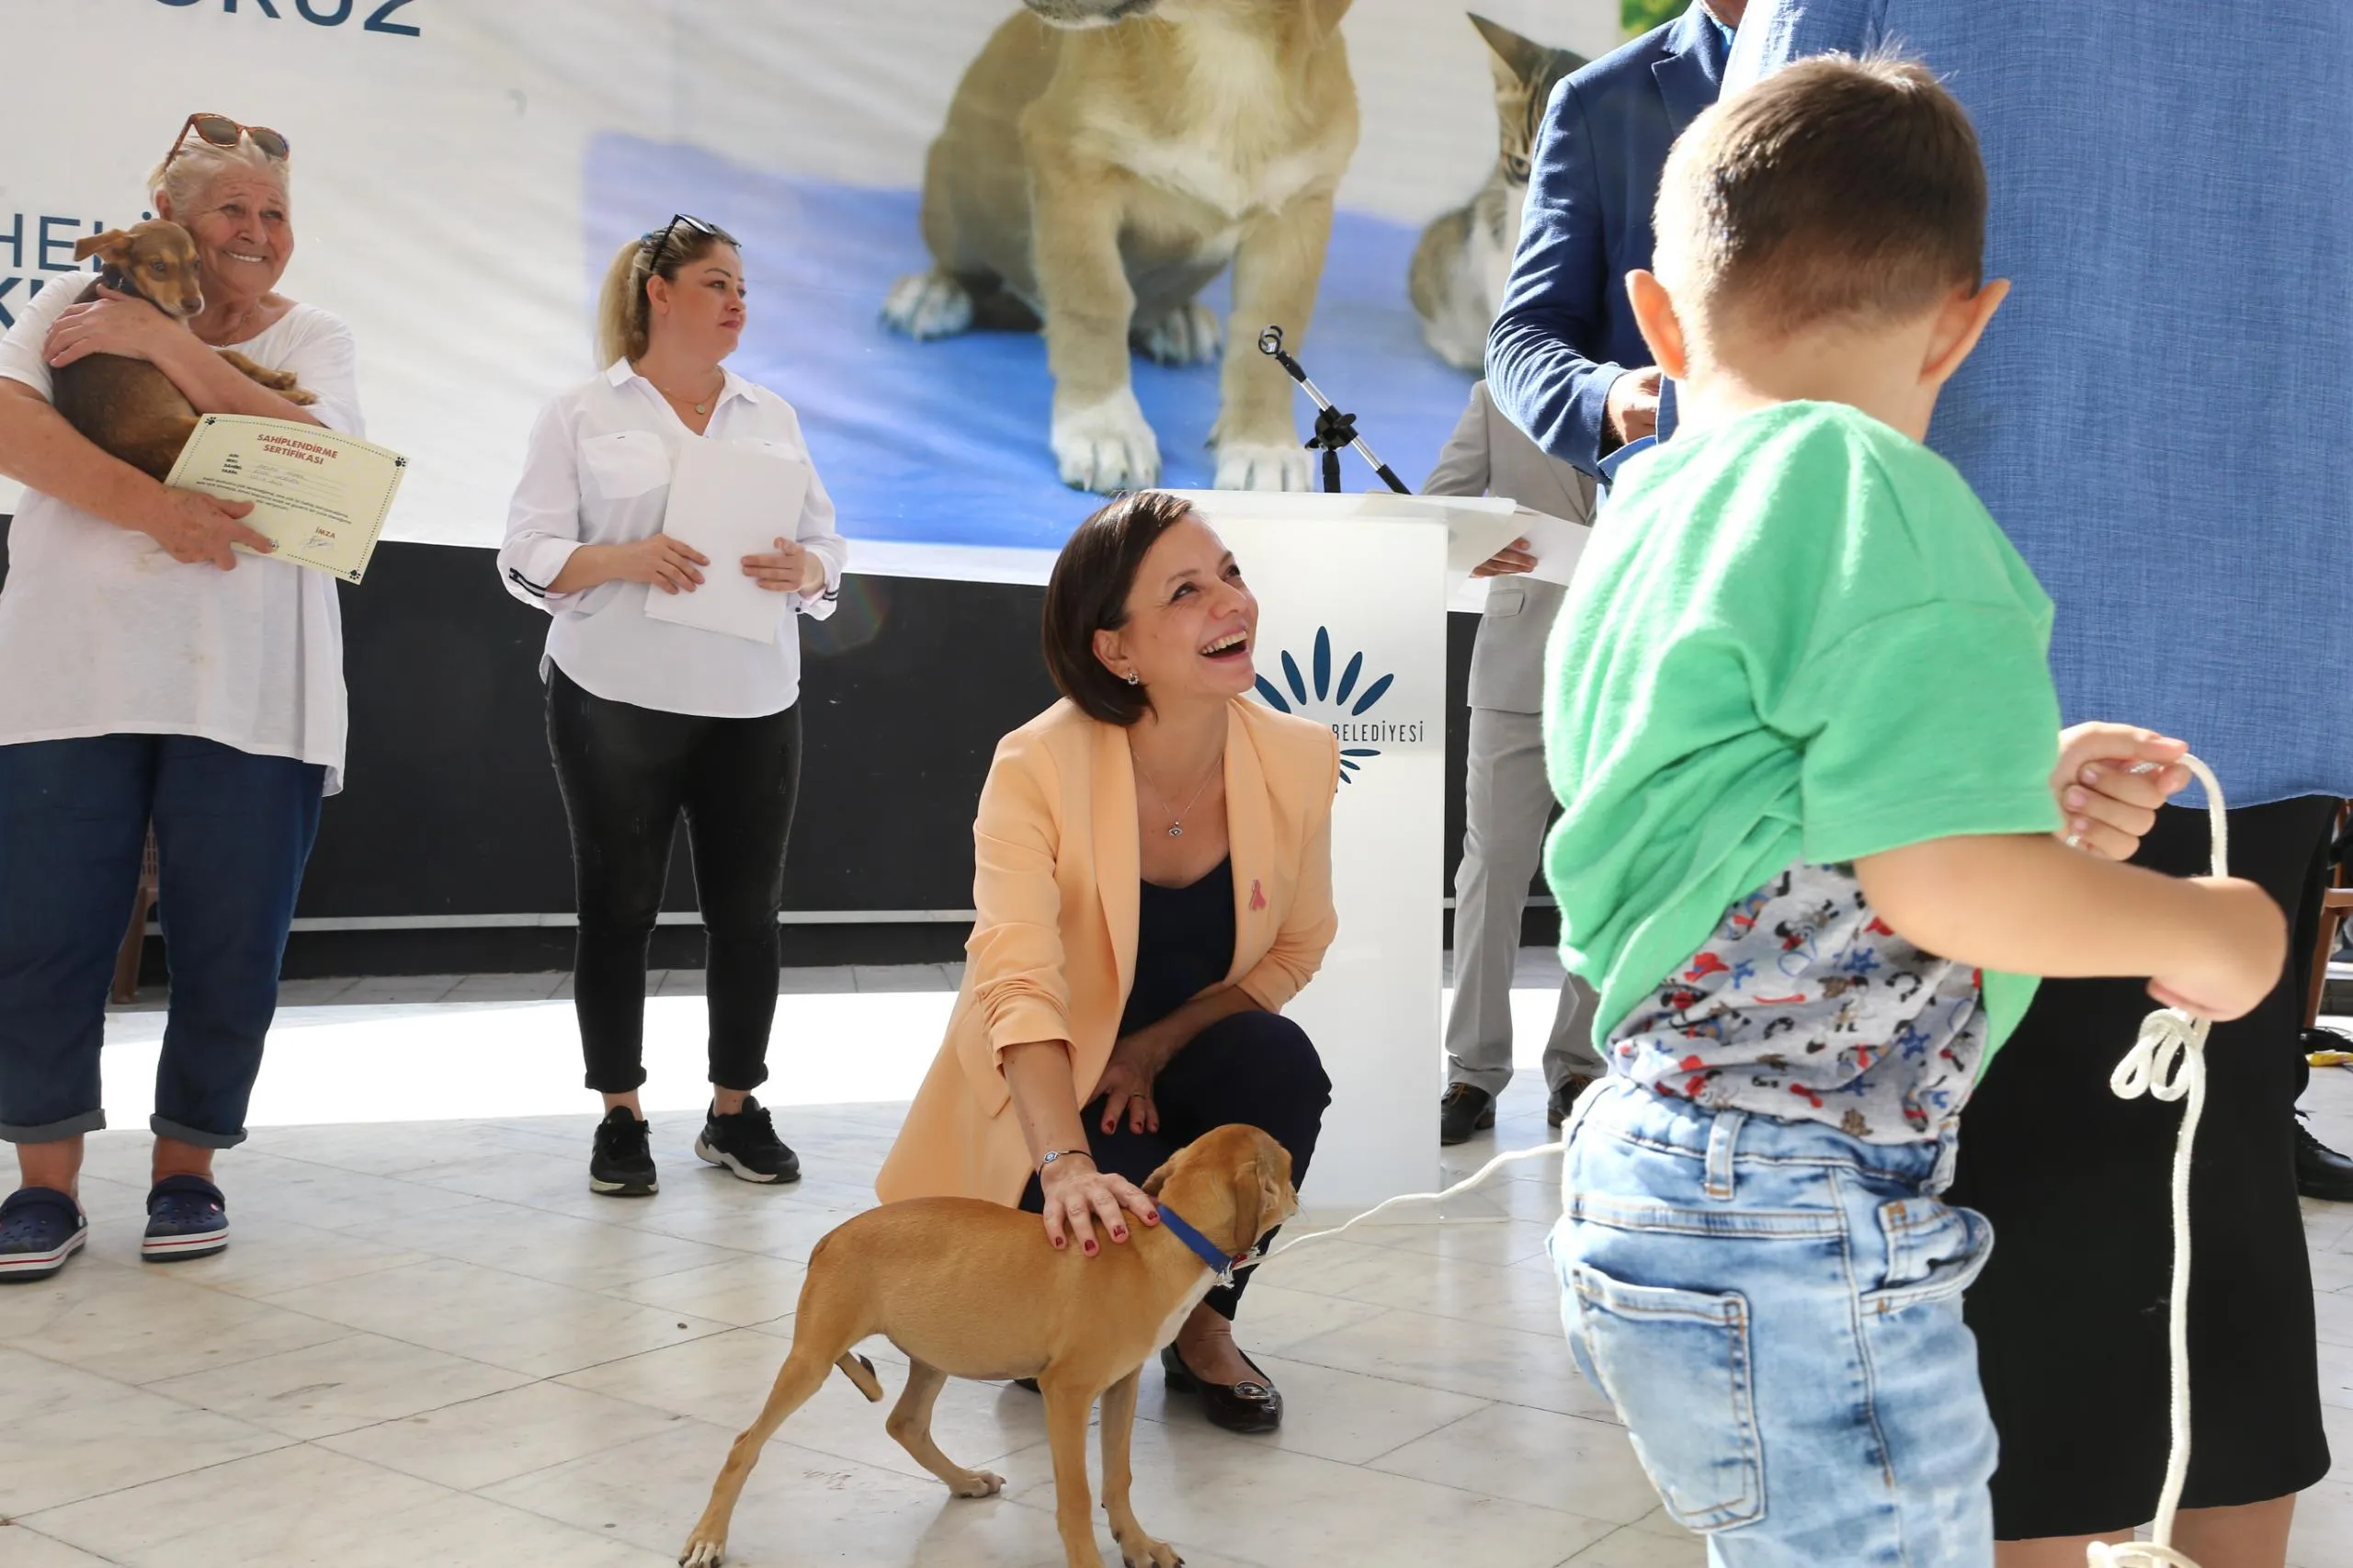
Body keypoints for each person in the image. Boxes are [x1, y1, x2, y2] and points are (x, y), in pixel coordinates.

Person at [1540, 59, 2287, 1566]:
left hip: (1656, 1175)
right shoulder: (1882, 490)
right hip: (1798, 1209)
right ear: (1966, 321)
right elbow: (1942, 883)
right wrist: (2212, 925)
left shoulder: (1652, 521)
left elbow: (1764, 815)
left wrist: (2023, 792)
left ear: (1661, 319)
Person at [1732, 6, 2350, 1561]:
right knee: (2224, 1170)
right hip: (2283, 633)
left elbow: (1754, 217)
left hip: (1961, 646)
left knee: (1998, 1210)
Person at [876, 490, 1336, 1434]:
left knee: (1278, 1062)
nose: (1231, 602)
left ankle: (1207, 1326)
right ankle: (1048, 1314)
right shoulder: (1035, 763)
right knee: (1099, 1224)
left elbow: (1297, 943)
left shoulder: (1297, 755)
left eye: (1231, 574)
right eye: (1185, 590)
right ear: (1116, 650)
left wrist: (1158, 1044)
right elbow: (1019, 985)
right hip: (1050, 1088)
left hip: (1173, 1064)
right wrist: (1065, 1162)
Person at [0, 115, 358, 1279]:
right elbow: (9, 421)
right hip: (75, 668)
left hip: (253, 685)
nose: (255, 234)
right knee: (47, 928)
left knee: (230, 935)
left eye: (275, 215)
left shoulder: (317, 335)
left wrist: (182, 352)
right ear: (168, 210)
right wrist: (153, 507)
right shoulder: (69, 300)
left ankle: (186, 1169)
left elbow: (338, 481)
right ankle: (42, 1188)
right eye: (231, 211)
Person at [497, 215, 847, 1198]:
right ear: (657, 292)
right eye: (714, 282)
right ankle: (620, 1116)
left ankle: (736, 1110)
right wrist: (623, 556)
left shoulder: (770, 414)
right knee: (618, 909)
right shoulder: (579, 411)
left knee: (750, 914)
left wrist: (804, 566)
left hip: (753, 695)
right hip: (614, 696)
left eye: (743, 286)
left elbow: (830, 548)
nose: (737, 302)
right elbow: (524, 552)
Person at [1426, 381, 1605, 1143]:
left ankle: (1579, 1068)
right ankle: (1472, 1071)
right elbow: (1437, 511)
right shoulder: (1505, 395)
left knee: (1607, 875)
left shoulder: (1686, 384)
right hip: (1516, 667)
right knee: (1491, 870)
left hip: (1634, 672)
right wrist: (1474, 545)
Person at [1485, 0, 1742, 483]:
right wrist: (1605, 399)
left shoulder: (1910, 73)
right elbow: (1523, 337)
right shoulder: (1598, 101)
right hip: (1677, 511)